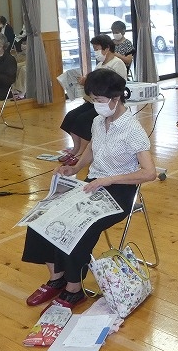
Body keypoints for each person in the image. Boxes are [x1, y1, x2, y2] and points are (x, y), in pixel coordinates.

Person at [22, 68, 156, 309]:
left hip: (119, 191)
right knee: (41, 217)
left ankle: (74, 288)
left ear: (116, 98)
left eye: (99, 100)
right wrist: (75, 167)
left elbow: (149, 173)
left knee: (79, 227)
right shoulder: (98, 121)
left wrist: (110, 179)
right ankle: (56, 278)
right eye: (93, 99)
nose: (96, 105)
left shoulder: (132, 129)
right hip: (93, 184)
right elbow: (93, 148)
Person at [59, 35, 128, 164]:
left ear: (106, 48)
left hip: (108, 102)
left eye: (97, 49)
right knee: (70, 116)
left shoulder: (117, 63)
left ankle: (82, 153)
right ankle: (75, 149)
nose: (96, 52)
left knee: (83, 120)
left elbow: (117, 85)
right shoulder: (100, 65)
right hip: (94, 101)